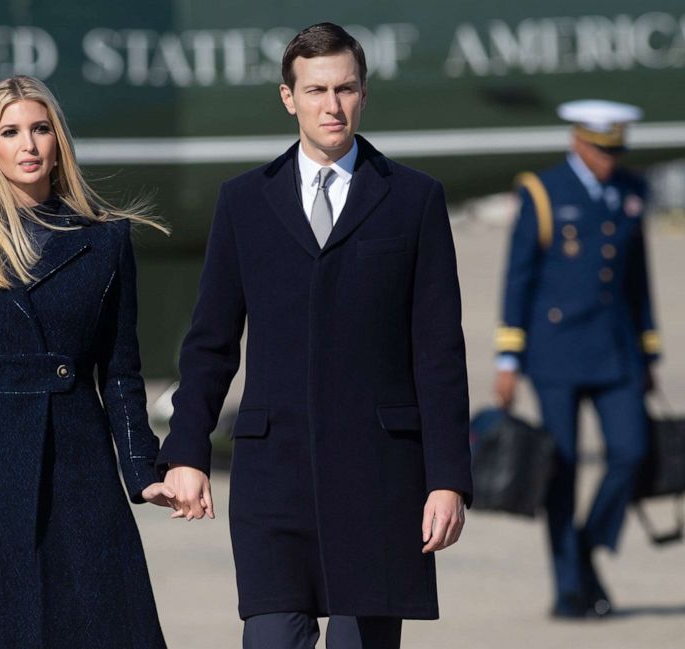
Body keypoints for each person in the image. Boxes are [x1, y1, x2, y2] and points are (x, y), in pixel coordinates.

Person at [157, 23, 473, 649]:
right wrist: (187, 450)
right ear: (288, 97)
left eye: (346, 89)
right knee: (271, 639)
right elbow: (212, 342)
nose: (332, 106)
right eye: (317, 90)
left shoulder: (414, 200)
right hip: (275, 480)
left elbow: (439, 353)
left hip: (381, 479)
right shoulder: (244, 203)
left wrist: (448, 479)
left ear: (364, 94)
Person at [0, 75, 175, 648]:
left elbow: (121, 373)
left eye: (40, 129)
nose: (28, 145)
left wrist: (143, 472)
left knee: (100, 628)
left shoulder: (106, 241)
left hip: (78, 467)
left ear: (58, 141)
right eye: (11, 131)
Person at [493, 100, 661, 619]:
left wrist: (649, 348)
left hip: (616, 350)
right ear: (577, 143)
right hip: (556, 353)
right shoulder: (543, 193)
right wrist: (508, 357)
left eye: (615, 151)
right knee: (560, 471)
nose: (608, 161)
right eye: (600, 150)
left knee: (632, 453)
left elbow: (637, 279)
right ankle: (570, 589)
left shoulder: (631, 191)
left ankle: (585, 551)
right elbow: (518, 277)